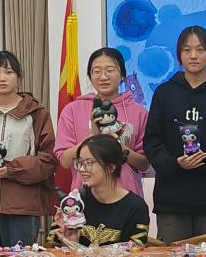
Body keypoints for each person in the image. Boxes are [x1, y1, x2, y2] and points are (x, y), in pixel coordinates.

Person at [143, 26, 206, 243]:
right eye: (187, 50)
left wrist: (205, 161)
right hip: (172, 201)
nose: (193, 56)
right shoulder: (164, 93)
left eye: (200, 49)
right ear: (179, 54)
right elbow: (152, 142)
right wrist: (175, 163)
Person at [0, 51, 57, 247]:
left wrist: (12, 169)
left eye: (9, 72)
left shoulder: (37, 114)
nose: (2, 78)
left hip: (23, 205)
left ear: (19, 77)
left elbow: (48, 160)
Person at [55, 47, 149, 198]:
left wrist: (119, 147)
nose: (103, 77)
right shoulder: (72, 110)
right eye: (97, 71)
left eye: (110, 70)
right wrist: (92, 136)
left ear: (122, 75)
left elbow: (144, 164)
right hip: (86, 197)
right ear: (90, 76)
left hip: (127, 197)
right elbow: (65, 161)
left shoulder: (139, 112)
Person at [55, 134, 150, 246]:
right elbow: (53, 250)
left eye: (89, 163)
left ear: (111, 166)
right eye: (80, 163)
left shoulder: (135, 206)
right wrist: (70, 242)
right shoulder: (73, 202)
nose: (81, 169)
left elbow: (136, 252)